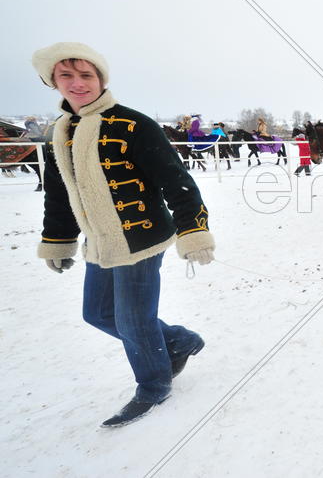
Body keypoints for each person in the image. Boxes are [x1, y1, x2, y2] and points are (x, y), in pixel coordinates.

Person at [31, 42, 216, 427]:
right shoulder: (59, 132)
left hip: (142, 238)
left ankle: (153, 385)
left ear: (101, 78)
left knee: (134, 321)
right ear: (53, 81)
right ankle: (179, 341)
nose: (78, 83)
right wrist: (57, 239)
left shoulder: (132, 124)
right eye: (67, 75)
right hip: (98, 241)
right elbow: (60, 193)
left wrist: (194, 230)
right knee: (97, 313)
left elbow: (177, 182)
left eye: (87, 75)